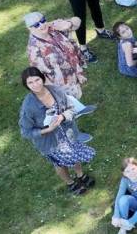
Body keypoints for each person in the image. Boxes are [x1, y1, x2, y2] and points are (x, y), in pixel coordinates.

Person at [17, 67, 96, 195]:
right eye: (30, 83)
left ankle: (80, 175)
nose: (35, 85)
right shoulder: (28, 106)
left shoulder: (56, 91)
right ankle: (70, 183)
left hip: (68, 133)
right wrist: (48, 129)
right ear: (26, 85)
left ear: (42, 78)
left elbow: (71, 108)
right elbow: (25, 132)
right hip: (51, 142)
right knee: (60, 164)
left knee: (75, 155)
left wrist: (63, 116)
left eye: (37, 80)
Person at [24, 12, 88, 101]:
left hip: (76, 72)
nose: (42, 25)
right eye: (36, 25)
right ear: (29, 28)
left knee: (79, 94)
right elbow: (41, 77)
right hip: (64, 86)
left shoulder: (53, 27)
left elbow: (78, 21)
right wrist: (56, 94)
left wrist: (69, 23)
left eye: (42, 20)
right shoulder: (34, 51)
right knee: (73, 105)